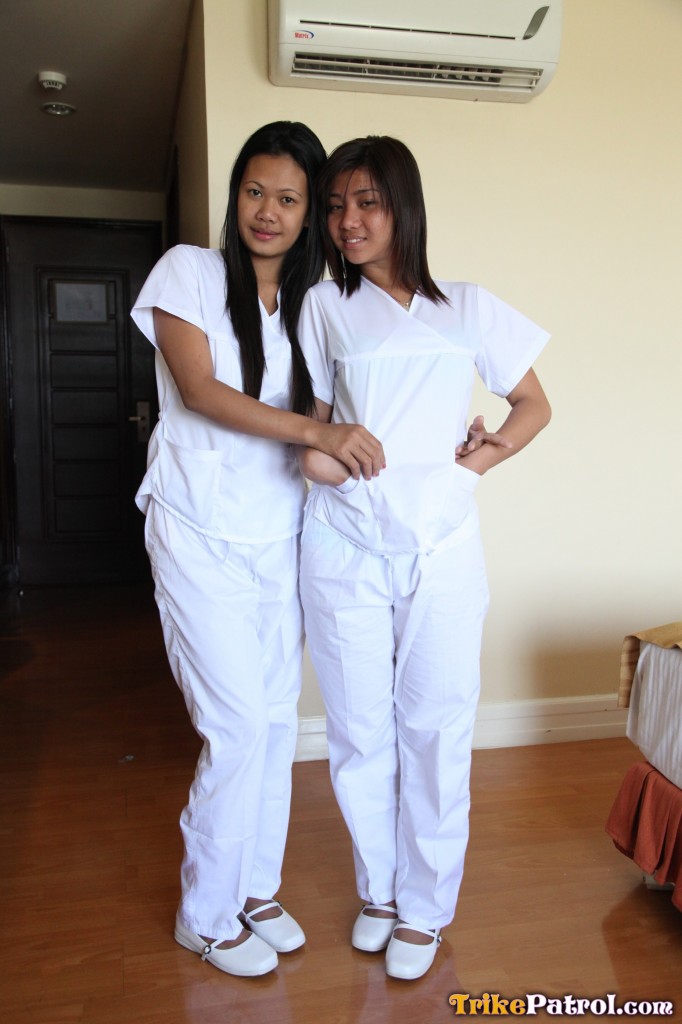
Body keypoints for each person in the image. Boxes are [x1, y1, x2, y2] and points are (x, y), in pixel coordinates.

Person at [130, 121, 385, 978]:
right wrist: (318, 429)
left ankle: (253, 889)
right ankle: (204, 915)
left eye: (288, 198)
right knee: (236, 726)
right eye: (253, 192)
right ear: (234, 193)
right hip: (195, 530)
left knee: (277, 723)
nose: (267, 212)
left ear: (310, 214)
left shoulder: (314, 306)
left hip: (280, 535)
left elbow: (350, 409)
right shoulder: (190, 273)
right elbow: (201, 391)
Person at [297, 136, 551, 981]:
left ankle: (426, 907)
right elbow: (316, 427)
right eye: (335, 206)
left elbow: (533, 404)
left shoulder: (468, 307)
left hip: (441, 546)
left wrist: (476, 464)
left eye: (366, 202)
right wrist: (325, 461)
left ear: (402, 205)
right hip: (345, 544)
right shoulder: (323, 306)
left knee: (437, 726)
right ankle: (380, 891)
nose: (347, 221)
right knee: (359, 730)